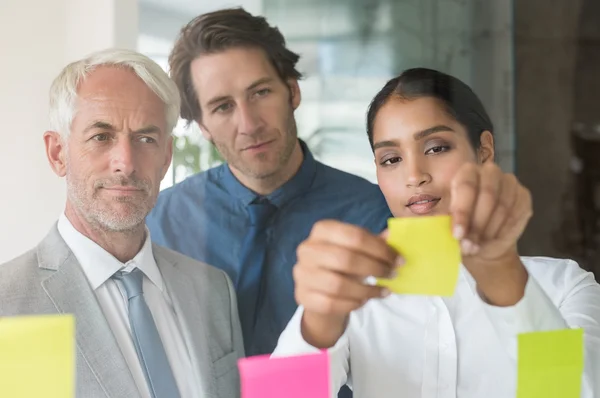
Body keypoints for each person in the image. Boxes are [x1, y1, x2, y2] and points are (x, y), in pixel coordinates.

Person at [273, 68, 600, 397]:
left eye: (436, 148)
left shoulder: (564, 287)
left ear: (484, 149)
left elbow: (575, 392)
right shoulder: (350, 294)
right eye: (391, 159)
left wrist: (503, 275)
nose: (414, 176)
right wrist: (319, 323)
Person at [146, 7, 391, 362]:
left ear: (292, 92)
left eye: (260, 93)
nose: (249, 124)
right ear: (202, 126)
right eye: (222, 107)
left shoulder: (372, 215)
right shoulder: (160, 223)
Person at [0, 49, 243, 398]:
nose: (126, 163)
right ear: (57, 154)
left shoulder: (213, 290)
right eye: (101, 136)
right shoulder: (7, 306)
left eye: (146, 139)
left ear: (166, 158)